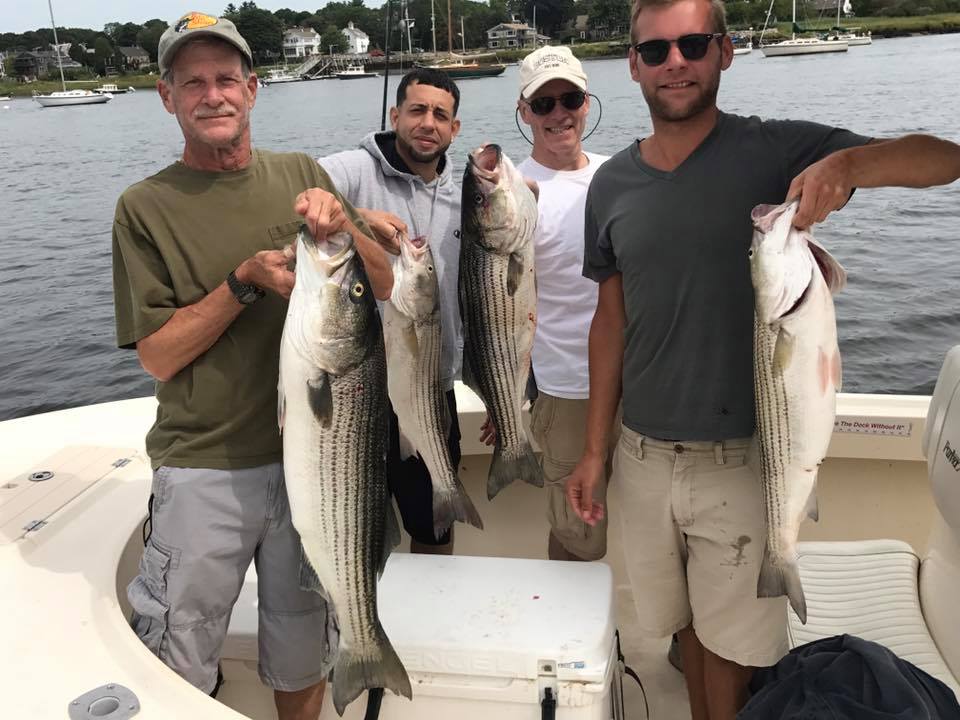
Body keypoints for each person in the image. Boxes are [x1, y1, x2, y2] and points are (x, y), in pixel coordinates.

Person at [565, 0, 960, 718]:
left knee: (734, 652)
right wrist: (594, 451)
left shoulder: (777, 151)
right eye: (655, 51)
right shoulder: (612, 185)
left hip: (746, 459)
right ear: (632, 66)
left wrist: (847, 164)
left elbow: (942, 160)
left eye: (691, 44)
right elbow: (610, 321)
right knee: (679, 633)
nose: (674, 62)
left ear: (724, 52)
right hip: (642, 457)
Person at [111, 12, 392, 719]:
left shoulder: (301, 174)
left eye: (226, 79)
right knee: (179, 648)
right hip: (205, 462)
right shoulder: (144, 207)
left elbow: (385, 284)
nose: (213, 95)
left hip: (319, 470)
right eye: (193, 82)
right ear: (166, 96)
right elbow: (157, 355)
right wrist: (240, 284)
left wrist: (346, 226)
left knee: (303, 647)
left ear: (254, 89)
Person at [318, 68, 463, 555]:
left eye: (440, 115)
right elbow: (289, 190)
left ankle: (435, 614)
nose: (428, 123)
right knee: (355, 536)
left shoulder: (463, 197)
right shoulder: (353, 170)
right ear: (394, 115)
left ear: (454, 129)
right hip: (352, 396)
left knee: (434, 533)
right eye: (417, 110)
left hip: (429, 387)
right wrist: (358, 217)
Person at [514, 46, 613, 562]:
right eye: (543, 103)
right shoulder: (510, 191)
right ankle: (569, 638)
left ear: (587, 103)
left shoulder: (622, 174)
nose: (558, 113)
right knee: (576, 532)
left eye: (569, 98)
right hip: (567, 389)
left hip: (641, 382)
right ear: (525, 111)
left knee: (652, 528)